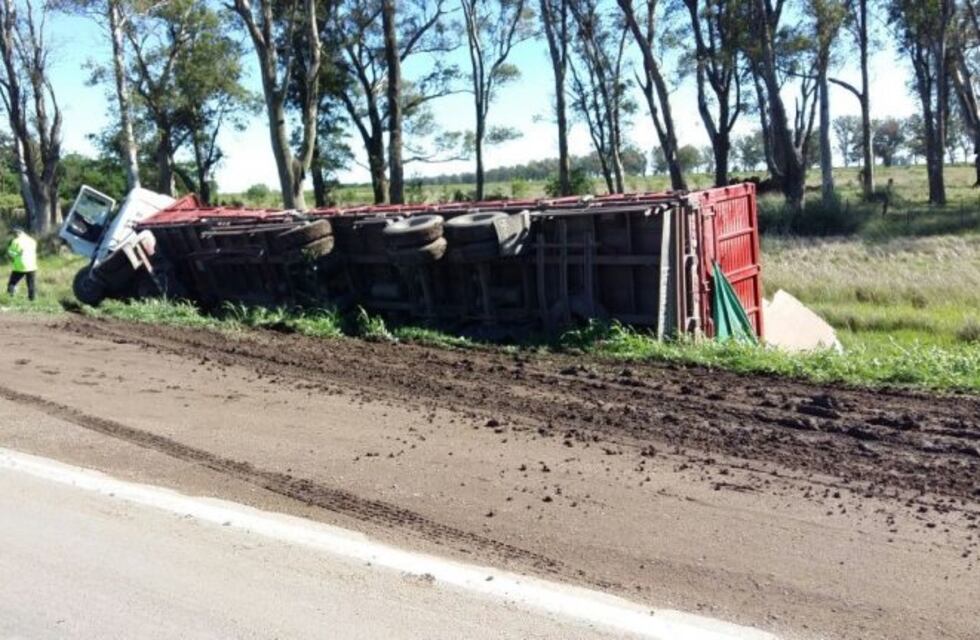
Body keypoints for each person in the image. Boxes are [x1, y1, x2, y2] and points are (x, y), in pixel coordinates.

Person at [7, 226, 37, 301]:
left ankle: (9, 298)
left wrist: (15, 255)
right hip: (32, 266)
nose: (14, 235)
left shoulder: (15, 241)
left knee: (12, 283)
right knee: (31, 285)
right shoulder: (32, 240)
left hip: (19, 266)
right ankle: (32, 300)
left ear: (19, 232)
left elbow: (10, 253)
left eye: (14, 233)